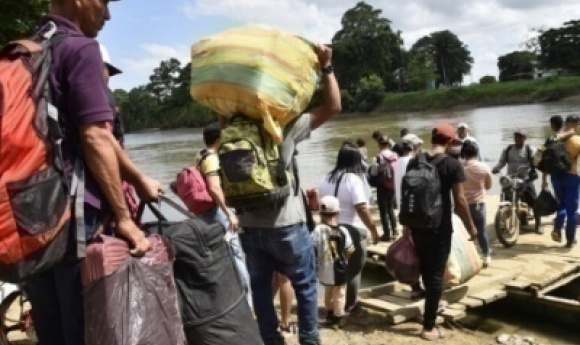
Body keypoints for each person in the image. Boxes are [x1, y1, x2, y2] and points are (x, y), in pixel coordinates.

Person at [26, 1, 163, 344]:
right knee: (89, 330)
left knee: (51, 329)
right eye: (103, 2)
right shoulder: (81, 48)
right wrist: (124, 218)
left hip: (31, 215)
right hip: (76, 221)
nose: (108, 14)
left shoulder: (27, 49)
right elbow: (96, 135)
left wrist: (137, 179)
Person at [234, 43, 341, 345]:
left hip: (249, 225)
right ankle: (309, 340)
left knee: (259, 287)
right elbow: (333, 106)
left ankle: (271, 339)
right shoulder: (286, 125)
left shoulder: (232, 125)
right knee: (305, 286)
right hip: (286, 225)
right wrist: (327, 66)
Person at [403, 123, 477, 341]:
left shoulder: (415, 161)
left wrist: (406, 225)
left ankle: (430, 307)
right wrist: (471, 227)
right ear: (451, 141)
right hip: (439, 227)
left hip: (417, 224)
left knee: (427, 268)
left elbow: (409, 195)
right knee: (436, 275)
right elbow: (461, 200)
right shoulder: (452, 164)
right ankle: (428, 327)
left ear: (432, 138)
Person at [318, 142, 379, 317]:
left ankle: (331, 305)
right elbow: (361, 208)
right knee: (353, 271)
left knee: (333, 270)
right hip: (352, 230)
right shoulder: (353, 179)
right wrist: (373, 230)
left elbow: (321, 206)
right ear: (356, 161)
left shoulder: (326, 177)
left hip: (330, 229)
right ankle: (351, 306)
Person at [194, 123, 252, 306]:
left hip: (204, 212)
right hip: (217, 212)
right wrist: (229, 214)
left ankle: (226, 298)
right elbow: (214, 188)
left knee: (219, 255)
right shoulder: (211, 158)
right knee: (236, 255)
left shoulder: (200, 155)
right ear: (219, 139)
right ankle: (248, 302)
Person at [311, 196, 355, 328]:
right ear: (338, 213)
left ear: (320, 213)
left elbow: (311, 248)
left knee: (328, 291)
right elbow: (350, 250)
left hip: (324, 269)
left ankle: (329, 311)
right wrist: (345, 260)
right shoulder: (343, 230)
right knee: (340, 293)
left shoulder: (317, 230)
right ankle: (338, 316)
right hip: (339, 268)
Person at [547, 116, 580, 248]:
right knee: (571, 209)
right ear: (577, 125)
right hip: (572, 176)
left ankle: (557, 228)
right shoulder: (577, 140)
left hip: (556, 176)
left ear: (565, 124)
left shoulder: (554, 138)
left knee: (562, 204)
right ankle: (570, 239)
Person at [461, 141, 493, 266]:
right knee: (481, 231)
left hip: (462, 205)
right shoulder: (484, 167)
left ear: (463, 153)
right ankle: (486, 256)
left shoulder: (460, 168)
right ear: (476, 152)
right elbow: (489, 186)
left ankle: (467, 258)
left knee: (464, 232)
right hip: (479, 204)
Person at [374, 135, 399, 241]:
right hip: (393, 184)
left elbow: (374, 172)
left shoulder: (378, 156)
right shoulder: (395, 155)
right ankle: (395, 230)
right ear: (388, 144)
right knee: (390, 208)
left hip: (382, 185)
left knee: (383, 210)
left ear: (379, 144)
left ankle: (386, 234)